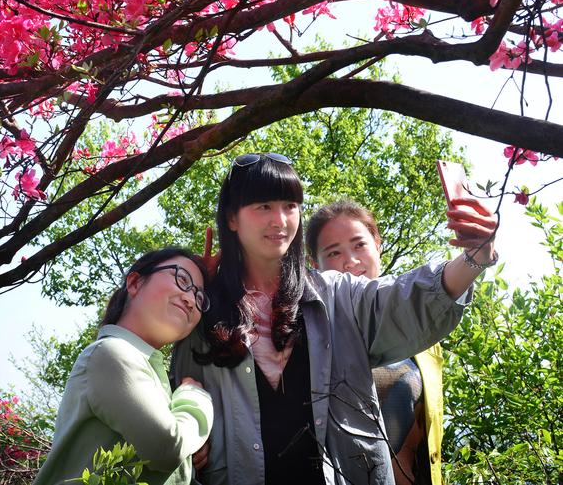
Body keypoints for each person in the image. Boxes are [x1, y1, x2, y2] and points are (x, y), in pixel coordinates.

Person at [170, 153, 497, 485]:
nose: (279, 220)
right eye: (263, 206)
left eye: (289, 205)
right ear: (231, 219)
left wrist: (474, 258)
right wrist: (190, 444)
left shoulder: (337, 296)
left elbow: (404, 298)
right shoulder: (202, 313)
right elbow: (169, 400)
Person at [34, 247, 215, 485]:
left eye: (199, 296)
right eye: (182, 279)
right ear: (135, 283)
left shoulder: (151, 375)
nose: (191, 299)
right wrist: (196, 397)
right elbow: (167, 448)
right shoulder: (110, 353)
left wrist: (190, 449)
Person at [307, 200, 444, 485]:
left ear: (378, 244)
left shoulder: (422, 335)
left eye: (359, 245)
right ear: (313, 264)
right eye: (334, 252)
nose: (350, 261)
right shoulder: (309, 331)